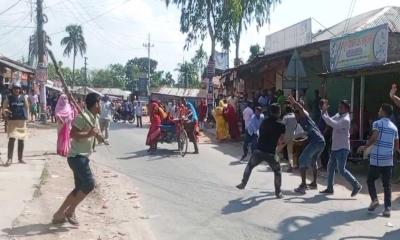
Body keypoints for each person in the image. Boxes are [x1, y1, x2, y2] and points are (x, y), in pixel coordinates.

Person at [52, 93, 102, 225]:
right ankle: (70, 210)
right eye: (99, 102)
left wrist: (99, 137)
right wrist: (89, 133)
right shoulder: (82, 117)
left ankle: (59, 214)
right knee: (89, 184)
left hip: (83, 157)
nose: (100, 105)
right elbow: (72, 134)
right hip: (77, 157)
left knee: (79, 188)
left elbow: (94, 135)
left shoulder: (94, 118)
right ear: (95, 104)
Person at [236, 104, 285, 199]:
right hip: (271, 152)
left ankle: (243, 183)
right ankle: (278, 192)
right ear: (279, 112)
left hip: (259, 150)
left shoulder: (264, 121)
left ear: (270, 112)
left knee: (250, 166)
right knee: (277, 171)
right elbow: (281, 141)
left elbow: (260, 134)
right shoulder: (281, 125)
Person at [358, 104, 398, 218]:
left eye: (380, 109)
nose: (378, 111)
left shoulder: (377, 123)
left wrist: (365, 147)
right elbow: (396, 144)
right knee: (387, 185)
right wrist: (391, 154)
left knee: (370, 180)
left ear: (384, 112)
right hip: (388, 160)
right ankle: (387, 209)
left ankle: (375, 200)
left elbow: (375, 137)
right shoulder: (394, 127)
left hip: (377, 159)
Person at [320, 100, 362, 197]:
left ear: (346, 109)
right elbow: (329, 120)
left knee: (341, 170)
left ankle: (356, 185)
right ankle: (330, 188)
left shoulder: (346, 119)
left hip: (343, 148)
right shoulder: (339, 115)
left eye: (341, 107)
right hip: (335, 147)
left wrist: (323, 112)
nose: (339, 109)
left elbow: (333, 124)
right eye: (339, 107)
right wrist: (324, 111)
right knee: (330, 168)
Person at [288, 95, 325, 194]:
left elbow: (300, 108)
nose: (295, 115)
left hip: (317, 141)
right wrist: (302, 141)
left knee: (301, 160)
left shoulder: (305, 117)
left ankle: (303, 185)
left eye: (296, 113)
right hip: (320, 142)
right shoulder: (301, 121)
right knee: (313, 161)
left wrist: (294, 102)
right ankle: (314, 183)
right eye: (294, 113)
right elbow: (310, 134)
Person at [2, 83, 29, 166]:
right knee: (12, 140)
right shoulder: (9, 97)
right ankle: (9, 159)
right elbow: (4, 107)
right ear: (12, 89)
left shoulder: (23, 97)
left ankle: (20, 158)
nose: (16, 90)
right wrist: (6, 114)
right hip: (12, 122)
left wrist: (27, 117)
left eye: (18, 88)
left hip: (21, 121)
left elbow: (27, 107)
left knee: (21, 140)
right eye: (15, 88)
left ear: (20, 89)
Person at [282, 105, 297, 172]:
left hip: (287, 136)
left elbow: (282, 127)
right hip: (295, 135)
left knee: (289, 152)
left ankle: (291, 166)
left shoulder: (286, 117)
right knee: (294, 151)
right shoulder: (295, 116)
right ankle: (295, 164)